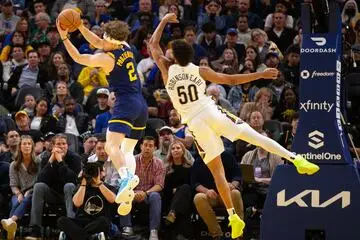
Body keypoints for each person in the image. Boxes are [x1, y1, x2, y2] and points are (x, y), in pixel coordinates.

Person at [149, 13, 319, 238]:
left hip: (195, 124)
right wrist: (261, 74)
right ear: (190, 54)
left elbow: (153, 44)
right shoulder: (199, 70)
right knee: (254, 136)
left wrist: (163, 21)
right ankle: (295, 159)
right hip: (210, 112)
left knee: (218, 172)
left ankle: (232, 216)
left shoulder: (165, 69)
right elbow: (230, 80)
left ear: (173, 55)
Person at [57, 18, 148, 215]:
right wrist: (81, 26)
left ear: (110, 38)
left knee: (110, 146)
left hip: (125, 103)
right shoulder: (125, 46)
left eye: (104, 36)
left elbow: (80, 58)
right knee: (127, 150)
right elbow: (98, 42)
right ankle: (129, 188)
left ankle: (125, 178)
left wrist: (64, 37)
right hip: (141, 104)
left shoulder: (107, 59)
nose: (100, 40)